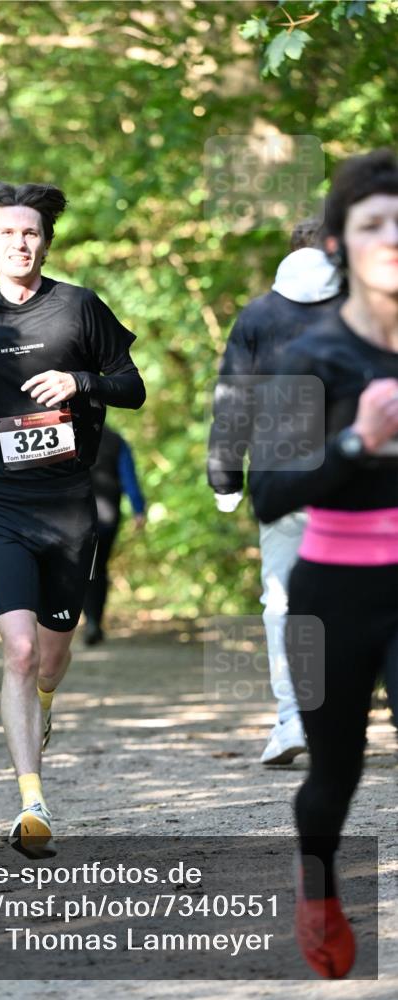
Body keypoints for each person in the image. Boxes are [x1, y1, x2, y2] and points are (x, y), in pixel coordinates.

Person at [0, 181, 145, 856]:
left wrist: (79, 382)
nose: (19, 244)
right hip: (3, 503)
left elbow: (132, 386)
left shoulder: (80, 309)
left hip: (69, 508)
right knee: (20, 651)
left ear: (44, 241)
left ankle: (46, 707)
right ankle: (31, 800)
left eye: (30, 233)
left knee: (53, 659)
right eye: (6, 233)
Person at [249, 149, 398, 978]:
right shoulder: (300, 356)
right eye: (373, 223)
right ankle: (317, 884)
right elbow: (269, 491)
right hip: (330, 592)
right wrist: (355, 440)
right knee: (333, 773)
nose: (393, 238)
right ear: (338, 244)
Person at [207, 219, 344, 764]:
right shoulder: (368, 306)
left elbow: (233, 398)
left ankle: (293, 720)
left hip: (280, 474)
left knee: (282, 601)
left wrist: (224, 474)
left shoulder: (258, 315)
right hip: (357, 475)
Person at [82, 423, 146, 645]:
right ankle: (93, 622)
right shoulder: (116, 439)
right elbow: (129, 477)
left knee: (79, 567)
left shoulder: (65, 430)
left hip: (74, 512)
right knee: (98, 568)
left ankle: (85, 619)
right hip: (107, 515)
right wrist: (138, 509)